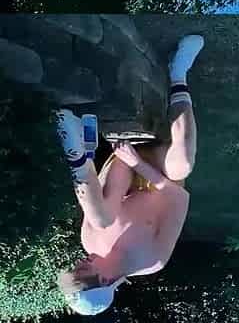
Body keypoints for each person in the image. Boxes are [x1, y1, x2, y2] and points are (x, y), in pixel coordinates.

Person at [55, 35, 204, 315]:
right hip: (162, 180)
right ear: (105, 280)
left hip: (121, 171)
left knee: (101, 219)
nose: (79, 263)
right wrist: (138, 163)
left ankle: (77, 155)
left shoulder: (90, 242)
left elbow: (105, 186)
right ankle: (178, 74)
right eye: (82, 271)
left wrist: (126, 162)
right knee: (184, 161)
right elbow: (178, 198)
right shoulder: (153, 259)